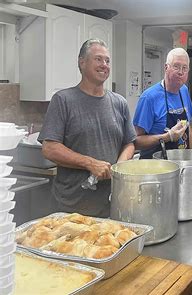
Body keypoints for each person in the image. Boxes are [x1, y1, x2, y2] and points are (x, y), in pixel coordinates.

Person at [39, 38, 136, 218]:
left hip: (111, 203)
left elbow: (129, 143)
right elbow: (49, 148)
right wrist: (90, 163)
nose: (104, 65)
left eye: (107, 61)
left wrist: (120, 166)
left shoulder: (119, 102)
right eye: (98, 59)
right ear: (82, 62)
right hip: (71, 207)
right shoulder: (63, 100)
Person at [133, 48, 192, 159]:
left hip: (180, 164)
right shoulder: (149, 97)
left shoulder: (184, 91)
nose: (181, 72)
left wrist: (191, 157)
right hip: (155, 168)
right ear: (166, 68)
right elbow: (136, 142)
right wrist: (167, 136)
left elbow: (188, 127)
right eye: (176, 66)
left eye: (184, 68)